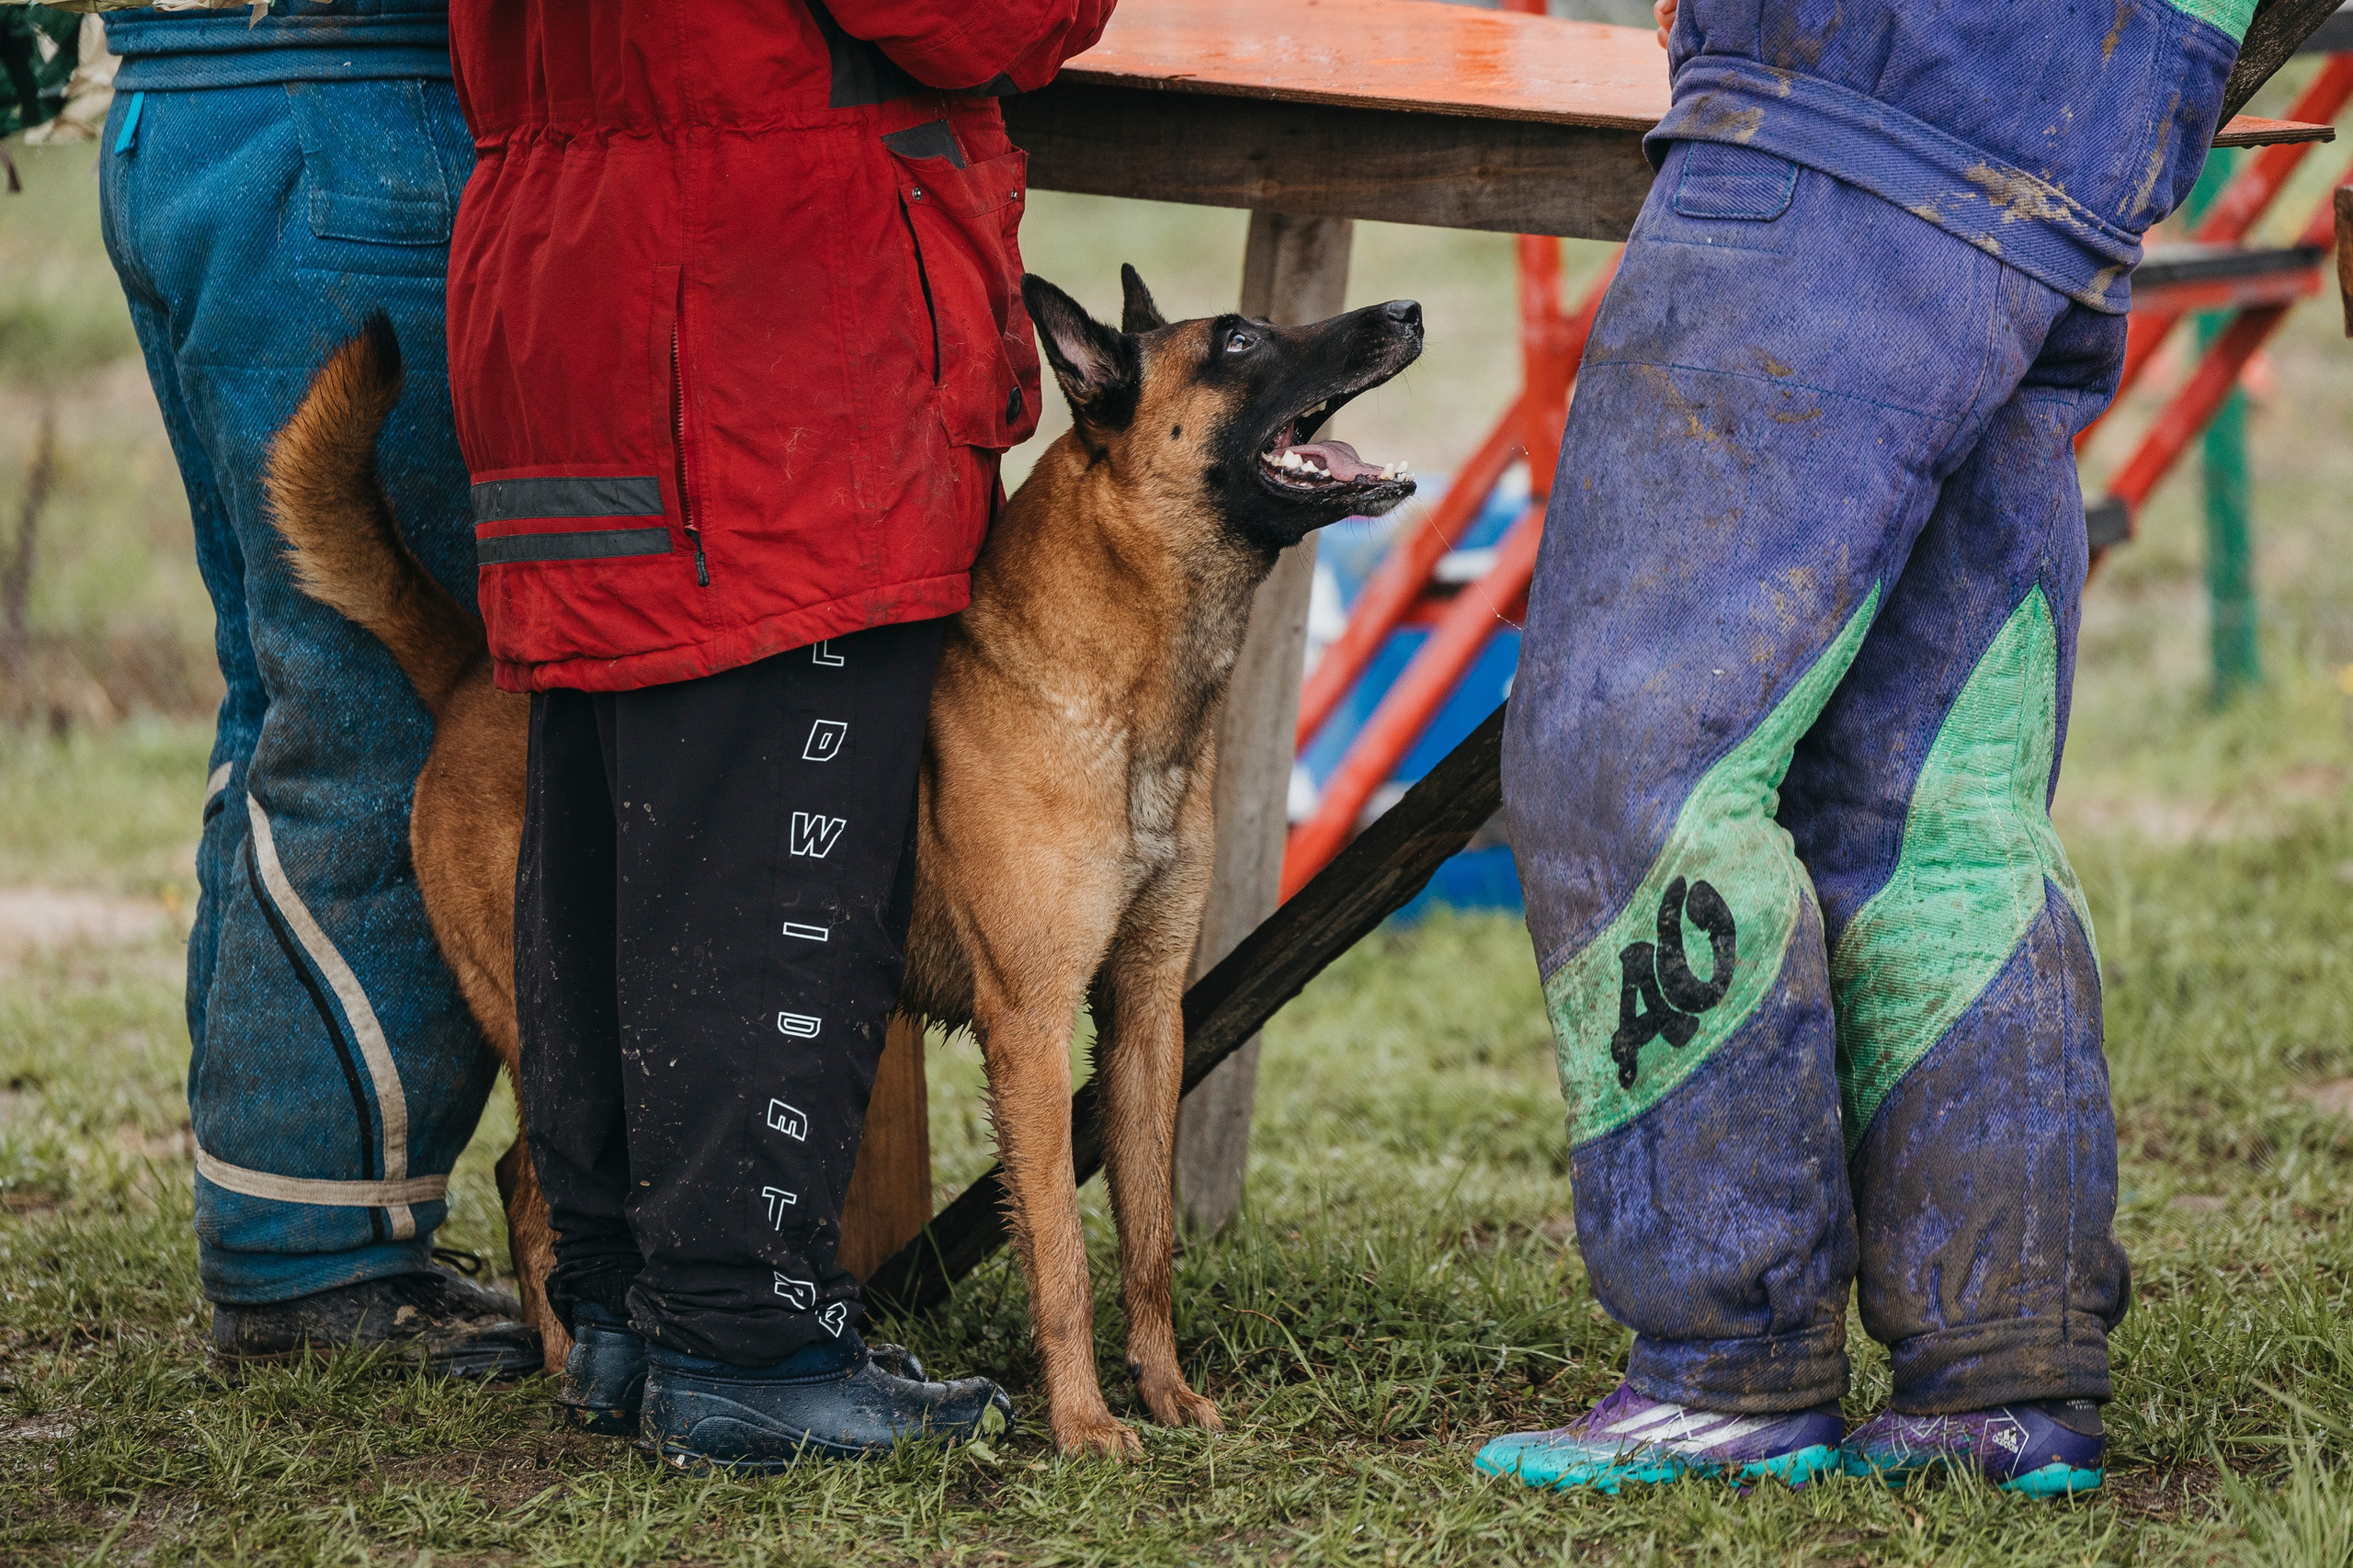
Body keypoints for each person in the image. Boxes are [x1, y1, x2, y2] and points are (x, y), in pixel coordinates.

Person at [1479, 0, 2249, 1497]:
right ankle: (2000, 1365)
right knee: (1929, 796)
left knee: (1629, 749)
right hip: (2073, 139)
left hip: (1865, 87)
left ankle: (1726, 1358)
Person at [441, 0, 1112, 1468]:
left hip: (576, 280)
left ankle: (629, 1309)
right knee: (769, 868)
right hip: (772, 323)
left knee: (625, 831)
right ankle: (748, 1339)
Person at [96, 0, 537, 1374]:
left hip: (182, 109)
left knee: (283, 682)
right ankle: (315, 1268)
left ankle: (285, 1217)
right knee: (395, 705)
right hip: (353, 113)